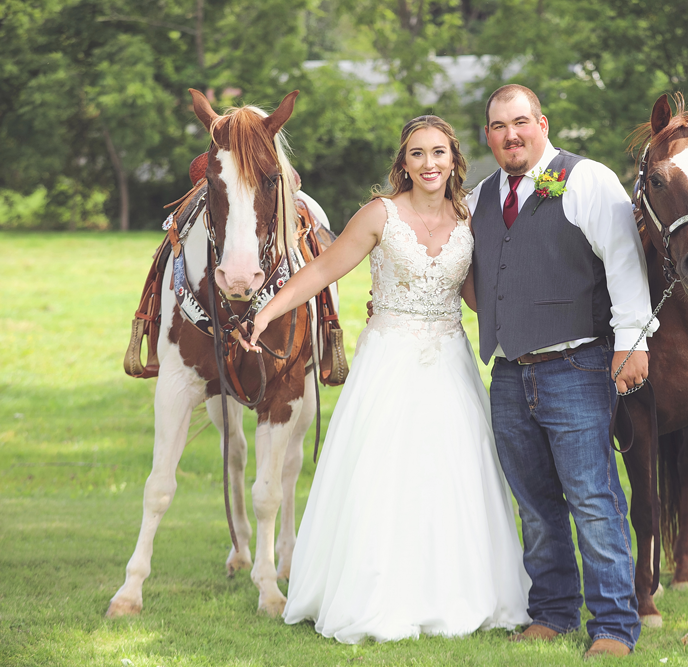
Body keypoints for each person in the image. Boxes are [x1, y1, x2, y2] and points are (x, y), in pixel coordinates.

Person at [243, 115, 531, 643]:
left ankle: (457, 594)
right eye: (417, 154)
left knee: (453, 476)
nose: (429, 164)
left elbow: (477, 298)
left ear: (453, 160)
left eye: (439, 153)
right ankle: (372, 594)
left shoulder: (469, 218)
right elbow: (323, 269)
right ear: (403, 163)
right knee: (383, 474)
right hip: (389, 360)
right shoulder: (381, 215)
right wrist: (266, 310)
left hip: (449, 361)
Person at [467, 84, 657, 659]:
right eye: (499, 126)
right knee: (534, 502)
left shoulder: (587, 179)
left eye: (520, 122)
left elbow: (624, 263)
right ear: (488, 136)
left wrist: (633, 344)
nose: (511, 135)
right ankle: (551, 611)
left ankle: (614, 626)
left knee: (593, 499)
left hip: (577, 364)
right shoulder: (479, 195)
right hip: (508, 371)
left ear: (542, 123)